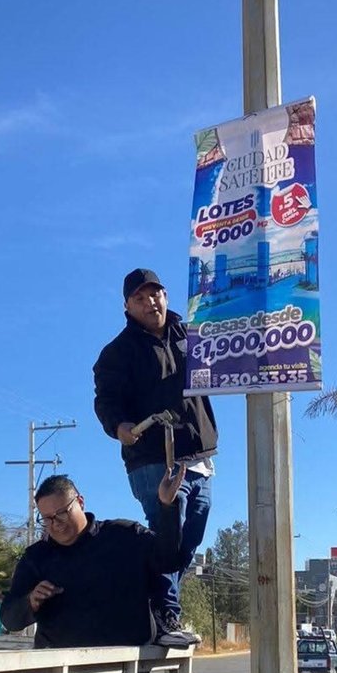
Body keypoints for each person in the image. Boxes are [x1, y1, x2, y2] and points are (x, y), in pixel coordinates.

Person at [93, 267, 218, 646]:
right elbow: (106, 401)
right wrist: (120, 427)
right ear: (128, 307)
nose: (151, 302)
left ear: (166, 296)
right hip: (153, 458)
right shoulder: (117, 353)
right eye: (140, 297)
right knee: (167, 534)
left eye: (156, 293)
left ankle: (150, 609)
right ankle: (166, 617)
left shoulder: (190, 334)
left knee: (188, 544)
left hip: (200, 457)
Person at [0, 470, 198, 661]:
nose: (56, 524)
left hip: (122, 672)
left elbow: (170, 560)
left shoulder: (125, 536)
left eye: (62, 513)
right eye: (47, 519)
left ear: (80, 502)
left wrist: (168, 506)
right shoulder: (36, 557)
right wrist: (31, 601)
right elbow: (9, 619)